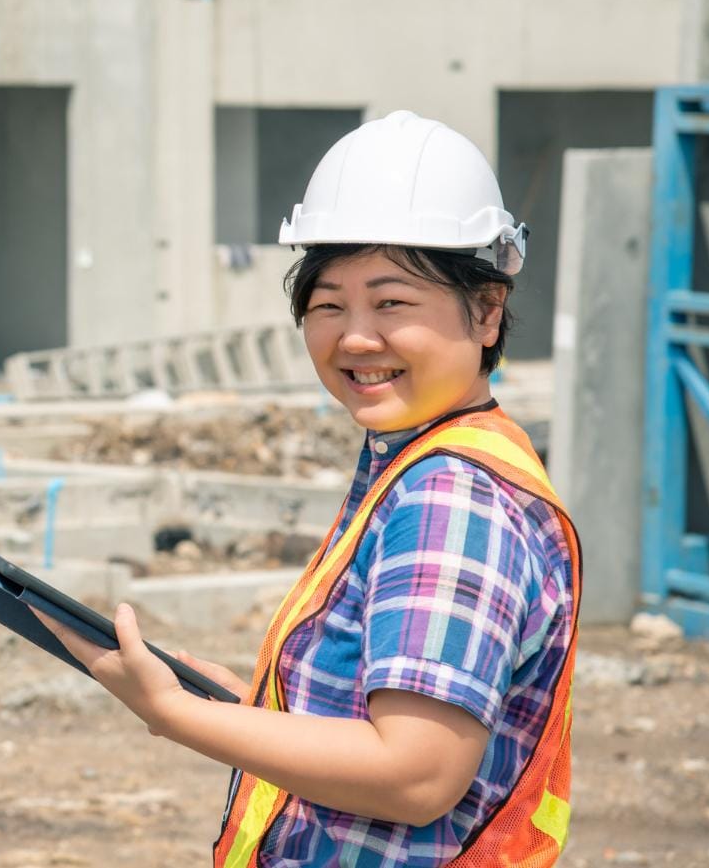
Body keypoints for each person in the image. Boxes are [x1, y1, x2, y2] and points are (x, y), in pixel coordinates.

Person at [37, 111, 581, 867]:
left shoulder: (450, 496)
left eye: (392, 302)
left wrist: (171, 713)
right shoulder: (420, 462)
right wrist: (236, 705)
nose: (356, 337)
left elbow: (416, 771)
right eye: (329, 304)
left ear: (486, 310)